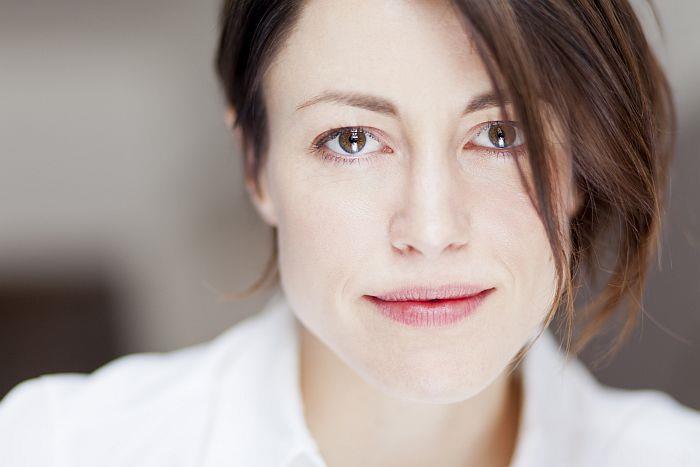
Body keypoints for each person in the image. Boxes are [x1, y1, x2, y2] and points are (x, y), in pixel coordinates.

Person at [1, 0, 699, 466]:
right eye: (352, 139)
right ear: (255, 164)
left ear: (578, 165)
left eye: (499, 134)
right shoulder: (60, 449)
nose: (431, 230)